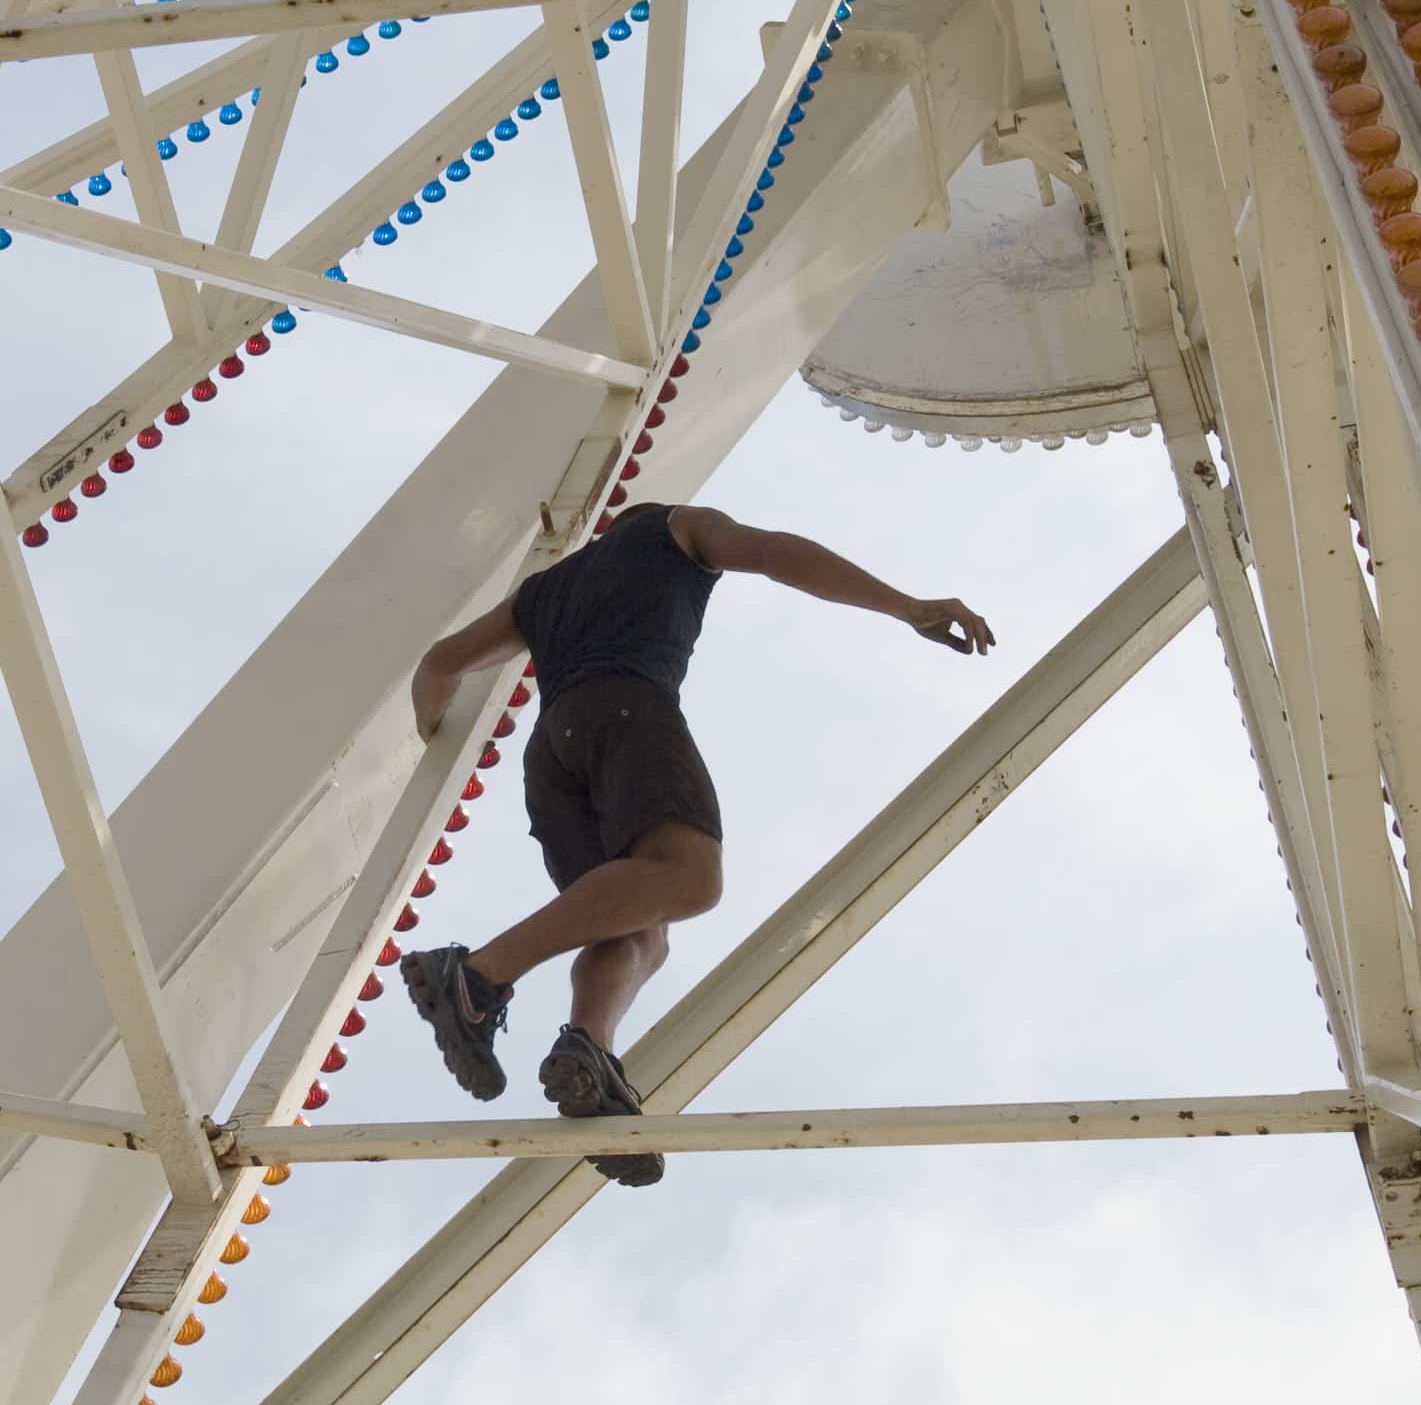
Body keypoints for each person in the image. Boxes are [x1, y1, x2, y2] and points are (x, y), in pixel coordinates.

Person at [398, 502, 995, 1186]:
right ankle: (476, 975)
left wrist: (432, 739)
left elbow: (440, 666)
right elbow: (772, 551)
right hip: (629, 709)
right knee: (690, 879)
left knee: (636, 922)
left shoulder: (543, 594)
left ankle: (588, 1050)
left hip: (553, 751)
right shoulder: (676, 528)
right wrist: (908, 606)